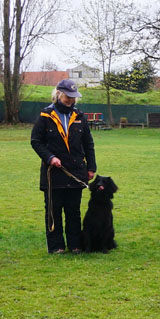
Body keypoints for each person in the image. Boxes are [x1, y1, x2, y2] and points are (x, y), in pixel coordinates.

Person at [31, 78, 97, 254]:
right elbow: (36, 141)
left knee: (73, 211)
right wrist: (50, 157)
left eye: (73, 97)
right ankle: (56, 246)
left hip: (75, 171)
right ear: (58, 94)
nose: (70, 100)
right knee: (54, 211)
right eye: (68, 96)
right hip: (54, 173)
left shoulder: (79, 117)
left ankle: (75, 245)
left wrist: (91, 167)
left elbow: (88, 144)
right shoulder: (45, 116)